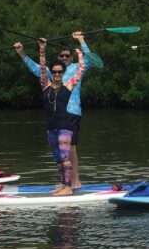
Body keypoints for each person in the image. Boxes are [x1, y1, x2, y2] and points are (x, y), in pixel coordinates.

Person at [18, 31, 94, 189]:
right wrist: (21, 53)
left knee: (71, 148)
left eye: (67, 56)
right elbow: (37, 68)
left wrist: (81, 40)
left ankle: (75, 181)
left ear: (71, 58)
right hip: (55, 117)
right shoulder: (54, 72)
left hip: (71, 112)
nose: (65, 58)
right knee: (59, 152)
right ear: (58, 58)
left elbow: (88, 60)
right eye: (62, 56)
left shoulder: (75, 68)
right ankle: (65, 182)